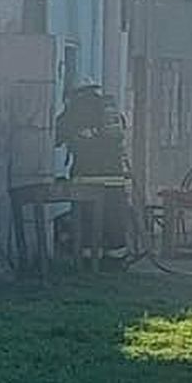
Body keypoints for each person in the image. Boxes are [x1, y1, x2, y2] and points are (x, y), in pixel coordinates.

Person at [56, 83, 131, 257]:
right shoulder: (110, 109)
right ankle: (116, 255)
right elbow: (120, 136)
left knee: (87, 220)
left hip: (86, 178)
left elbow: (55, 137)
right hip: (115, 178)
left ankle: (88, 260)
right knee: (114, 219)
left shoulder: (73, 111)